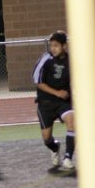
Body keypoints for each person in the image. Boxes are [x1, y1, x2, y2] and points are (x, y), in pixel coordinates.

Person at [33, 30, 75, 170]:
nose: (53, 48)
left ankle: (68, 158)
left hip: (64, 101)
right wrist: (57, 93)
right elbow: (38, 82)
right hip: (45, 102)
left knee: (72, 122)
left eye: (56, 45)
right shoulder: (45, 59)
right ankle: (55, 147)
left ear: (64, 46)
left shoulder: (72, 60)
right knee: (46, 138)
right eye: (51, 45)